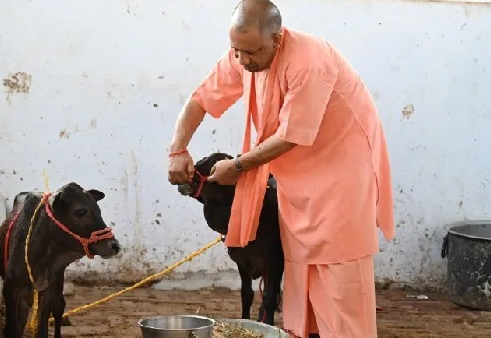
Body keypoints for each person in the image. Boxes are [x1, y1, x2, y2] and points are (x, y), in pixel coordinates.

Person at [167, 0, 395, 337]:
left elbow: (292, 136)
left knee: (339, 278)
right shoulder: (246, 53)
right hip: (298, 180)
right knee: (302, 274)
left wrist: (240, 166)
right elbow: (202, 97)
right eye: (236, 51)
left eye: (251, 52)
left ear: (276, 39)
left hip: (343, 173)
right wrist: (178, 148)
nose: (242, 61)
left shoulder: (309, 62)